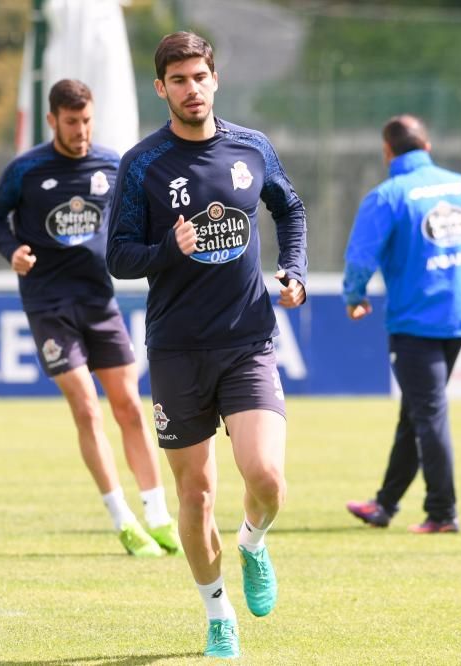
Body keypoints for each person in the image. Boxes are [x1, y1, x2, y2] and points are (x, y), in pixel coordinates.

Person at [106, 32, 308, 659]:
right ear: (161, 87)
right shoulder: (142, 164)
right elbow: (118, 256)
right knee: (195, 496)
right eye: (179, 80)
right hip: (176, 352)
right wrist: (173, 248)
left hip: (247, 340)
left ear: (214, 79)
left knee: (268, 477)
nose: (191, 89)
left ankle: (251, 542)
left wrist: (295, 271)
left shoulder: (251, 147)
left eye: (200, 77)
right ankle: (218, 613)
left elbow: (290, 209)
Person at [0, 79, 181, 559]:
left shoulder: (112, 165)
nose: (81, 130)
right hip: (49, 305)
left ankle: (158, 515)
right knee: (87, 407)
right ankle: (124, 522)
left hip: (99, 301)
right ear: (53, 120)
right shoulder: (26, 169)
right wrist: (13, 252)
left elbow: (139, 217)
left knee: (131, 407)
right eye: (72, 122)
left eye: (87, 119)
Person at [342, 115, 461, 535]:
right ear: (428, 146)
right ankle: (384, 505)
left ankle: (442, 512)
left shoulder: (388, 196)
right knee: (416, 414)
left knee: (428, 414)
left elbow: (361, 257)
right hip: (455, 320)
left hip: (414, 323)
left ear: (387, 152)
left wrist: (354, 295)